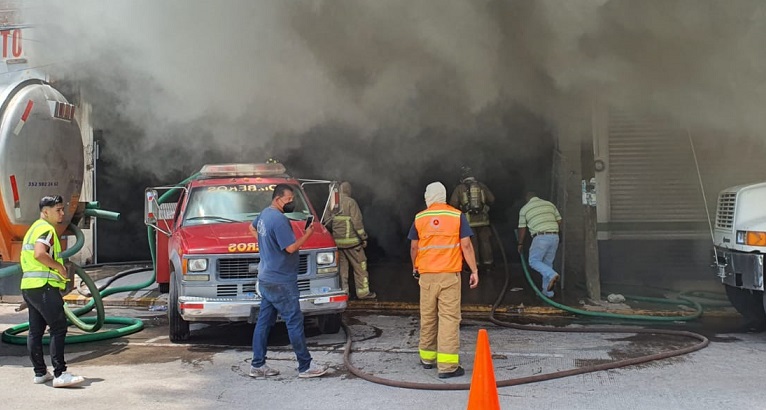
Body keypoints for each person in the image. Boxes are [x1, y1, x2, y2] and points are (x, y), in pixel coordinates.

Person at [249, 184, 327, 378]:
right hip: (282, 280)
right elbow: (291, 248)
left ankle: (258, 365)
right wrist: (308, 234)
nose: (292, 203)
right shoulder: (279, 219)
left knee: (264, 322)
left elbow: (251, 229)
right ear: (277, 199)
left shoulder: (264, 214)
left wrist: (267, 248)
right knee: (294, 321)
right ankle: (305, 366)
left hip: (266, 277)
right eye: (289, 200)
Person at [409, 182, 479, 379]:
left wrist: (415, 267)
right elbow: (466, 246)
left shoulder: (419, 217)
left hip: (427, 276)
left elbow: (414, 247)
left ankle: (427, 358)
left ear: (428, 197)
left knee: (428, 316)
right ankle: (447, 367)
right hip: (449, 276)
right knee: (448, 318)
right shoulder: (457, 216)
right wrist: (473, 270)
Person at [20, 195, 85, 388]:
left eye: (62, 209)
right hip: (44, 287)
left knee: (35, 331)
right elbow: (39, 253)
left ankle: (40, 373)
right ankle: (60, 373)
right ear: (45, 211)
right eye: (58, 210)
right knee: (58, 328)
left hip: (30, 287)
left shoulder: (32, 229)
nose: (62, 213)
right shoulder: (46, 229)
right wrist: (58, 266)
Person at [330, 181, 376, 299]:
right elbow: (357, 223)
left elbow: (327, 222)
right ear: (348, 191)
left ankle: (344, 293)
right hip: (353, 244)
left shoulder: (332, 203)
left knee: (342, 271)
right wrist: (363, 238)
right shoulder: (351, 202)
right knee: (360, 268)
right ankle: (363, 293)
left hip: (338, 244)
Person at [449, 166, 495, 271]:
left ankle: (475, 266)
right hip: (483, 220)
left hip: (468, 222)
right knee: (485, 242)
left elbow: (452, 204)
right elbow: (492, 199)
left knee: (472, 244)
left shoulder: (459, 188)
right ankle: (488, 265)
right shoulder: (482, 186)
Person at [517, 192, 562, 297]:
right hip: (554, 236)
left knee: (533, 261)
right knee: (547, 264)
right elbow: (559, 220)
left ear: (527, 198)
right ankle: (548, 292)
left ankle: (552, 275)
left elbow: (522, 228)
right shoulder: (549, 204)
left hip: (541, 236)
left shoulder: (525, 209)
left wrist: (520, 243)